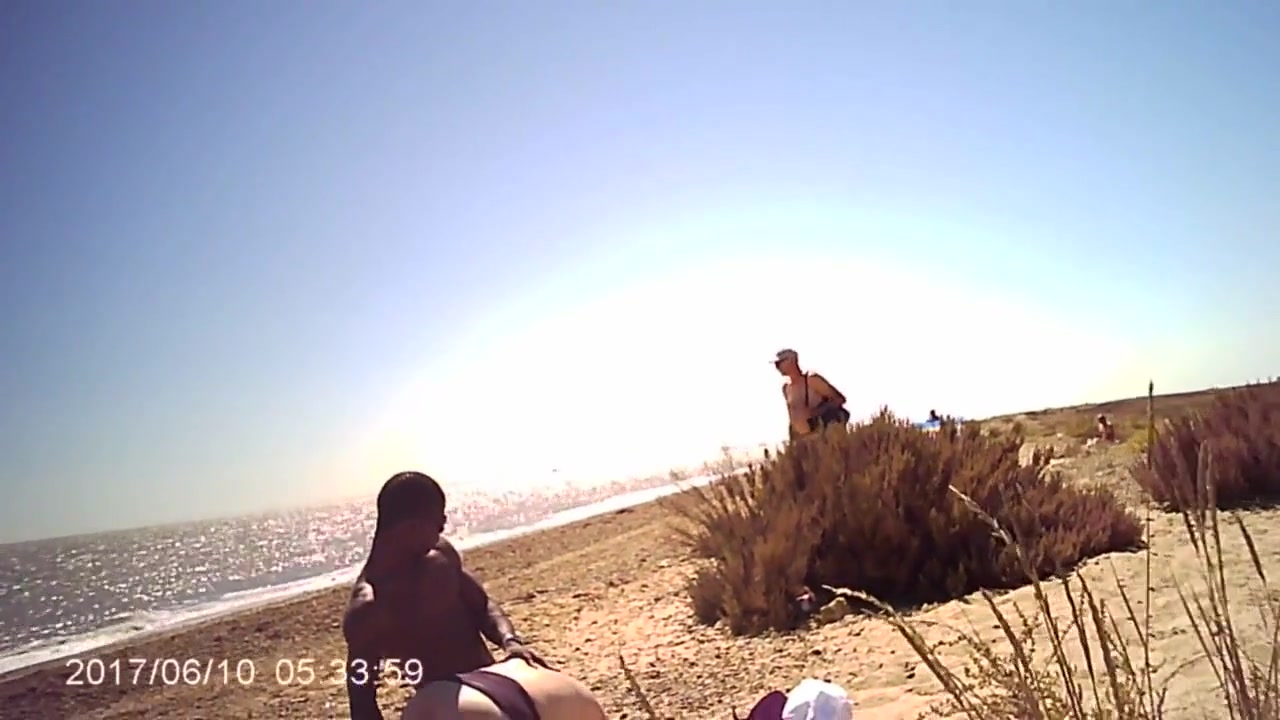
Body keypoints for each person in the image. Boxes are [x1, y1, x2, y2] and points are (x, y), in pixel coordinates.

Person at [343, 471, 606, 720]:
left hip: (500, 684)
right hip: (452, 707)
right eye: (438, 521)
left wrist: (510, 641)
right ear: (411, 528)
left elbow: (483, 606)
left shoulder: (440, 556)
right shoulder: (368, 609)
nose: (443, 528)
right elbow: (362, 699)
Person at [773, 348, 850, 439]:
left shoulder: (811, 380)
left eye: (779, 363)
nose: (777, 367)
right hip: (803, 439)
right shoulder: (786, 388)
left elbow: (839, 399)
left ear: (792, 361)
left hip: (823, 434)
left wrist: (815, 412)